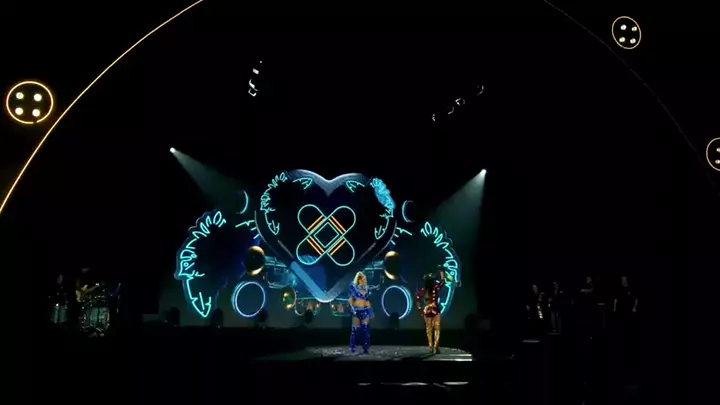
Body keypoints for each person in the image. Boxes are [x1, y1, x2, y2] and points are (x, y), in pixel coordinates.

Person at [415, 266, 456, 354]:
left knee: (430, 329)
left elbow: (418, 299)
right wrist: (442, 272)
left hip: (430, 310)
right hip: (433, 310)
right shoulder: (431, 289)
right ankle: (434, 347)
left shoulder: (426, 290)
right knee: (435, 329)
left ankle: (433, 347)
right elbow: (443, 281)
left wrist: (420, 310)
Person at [348, 271, 373, 354]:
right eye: (364, 279)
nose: (366, 281)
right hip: (356, 312)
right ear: (359, 280)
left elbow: (367, 302)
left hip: (365, 311)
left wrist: (371, 311)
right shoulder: (354, 289)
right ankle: (353, 348)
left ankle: (366, 348)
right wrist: (353, 309)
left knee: (366, 330)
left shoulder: (366, 289)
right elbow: (350, 300)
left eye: (366, 279)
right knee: (355, 331)